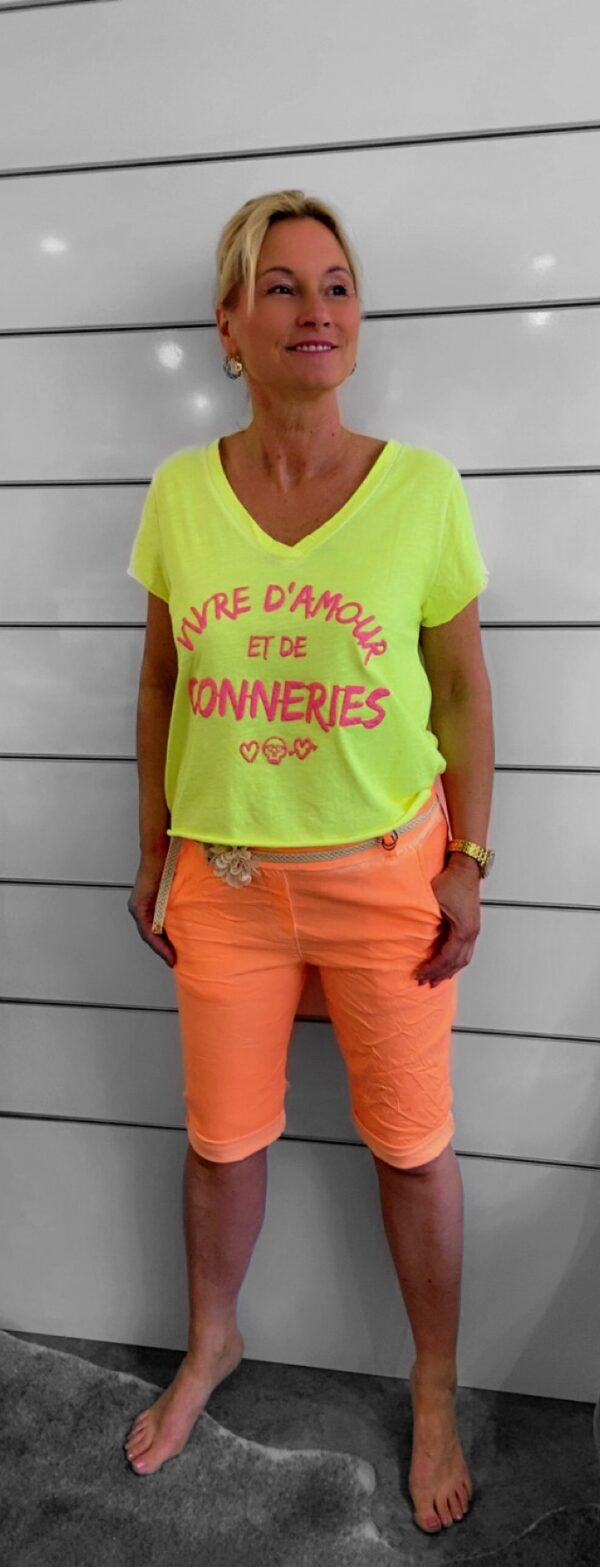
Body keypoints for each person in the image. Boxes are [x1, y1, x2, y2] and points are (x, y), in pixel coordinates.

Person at [124, 190, 494, 1535]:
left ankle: (434, 1384)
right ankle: (212, 1341)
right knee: (222, 1141)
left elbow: (463, 691)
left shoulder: (421, 491)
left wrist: (469, 859)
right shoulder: (180, 495)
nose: (315, 310)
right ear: (229, 326)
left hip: (385, 877)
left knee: (413, 1146)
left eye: (335, 285)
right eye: (279, 287)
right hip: (224, 887)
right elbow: (161, 686)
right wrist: (152, 846)